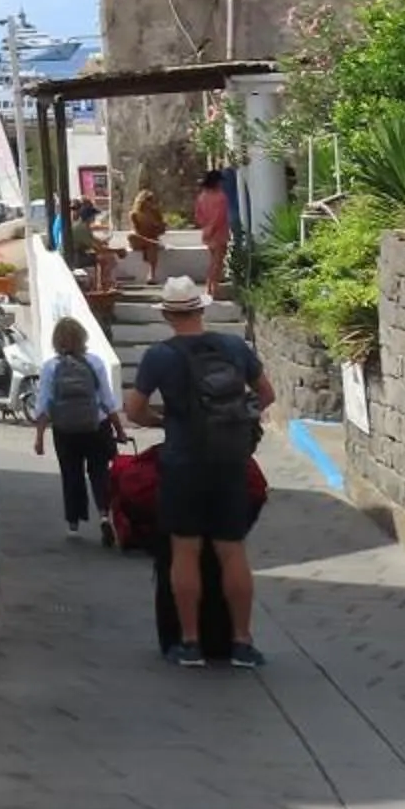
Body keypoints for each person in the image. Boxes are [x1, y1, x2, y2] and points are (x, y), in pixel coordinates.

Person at [125, 276, 276, 668]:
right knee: (232, 549)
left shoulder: (160, 356)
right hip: (230, 462)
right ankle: (242, 642)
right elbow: (267, 393)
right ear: (201, 309)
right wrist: (240, 420)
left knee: (185, 550)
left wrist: (164, 421)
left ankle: (190, 642)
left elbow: (133, 410)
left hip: (183, 465)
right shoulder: (234, 347)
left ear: (167, 315)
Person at [30, 315, 123, 542]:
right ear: (83, 337)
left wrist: (39, 437)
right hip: (96, 426)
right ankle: (104, 515)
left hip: (65, 430)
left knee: (71, 473)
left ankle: (73, 524)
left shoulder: (51, 367)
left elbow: (44, 404)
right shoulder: (95, 362)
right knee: (99, 472)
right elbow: (107, 401)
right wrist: (119, 430)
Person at [195, 169, 234, 295]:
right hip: (219, 232)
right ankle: (213, 287)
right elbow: (220, 216)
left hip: (207, 232)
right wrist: (212, 228)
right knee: (218, 262)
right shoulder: (220, 197)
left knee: (213, 260)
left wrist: (206, 227)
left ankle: (210, 285)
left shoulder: (202, 197)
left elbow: (198, 216)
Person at [127, 186, 166, 279]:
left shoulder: (156, 213)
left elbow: (162, 230)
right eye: (148, 200)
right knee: (131, 236)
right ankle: (150, 243)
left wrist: (157, 225)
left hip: (152, 238)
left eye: (151, 200)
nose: (150, 202)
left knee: (152, 245)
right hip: (140, 239)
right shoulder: (134, 214)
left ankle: (151, 274)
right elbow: (136, 231)